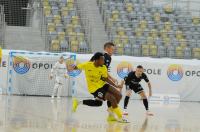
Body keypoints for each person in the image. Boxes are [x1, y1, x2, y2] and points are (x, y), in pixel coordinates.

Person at [69, 52, 128, 122]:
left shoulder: (103, 68)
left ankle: (110, 112)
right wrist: (72, 67)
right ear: (96, 60)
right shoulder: (87, 65)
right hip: (94, 89)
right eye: (102, 59)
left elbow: (105, 79)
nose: (104, 61)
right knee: (110, 98)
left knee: (119, 95)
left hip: (102, 85)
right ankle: (120, 118)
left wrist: (116, 86)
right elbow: (77, 67)